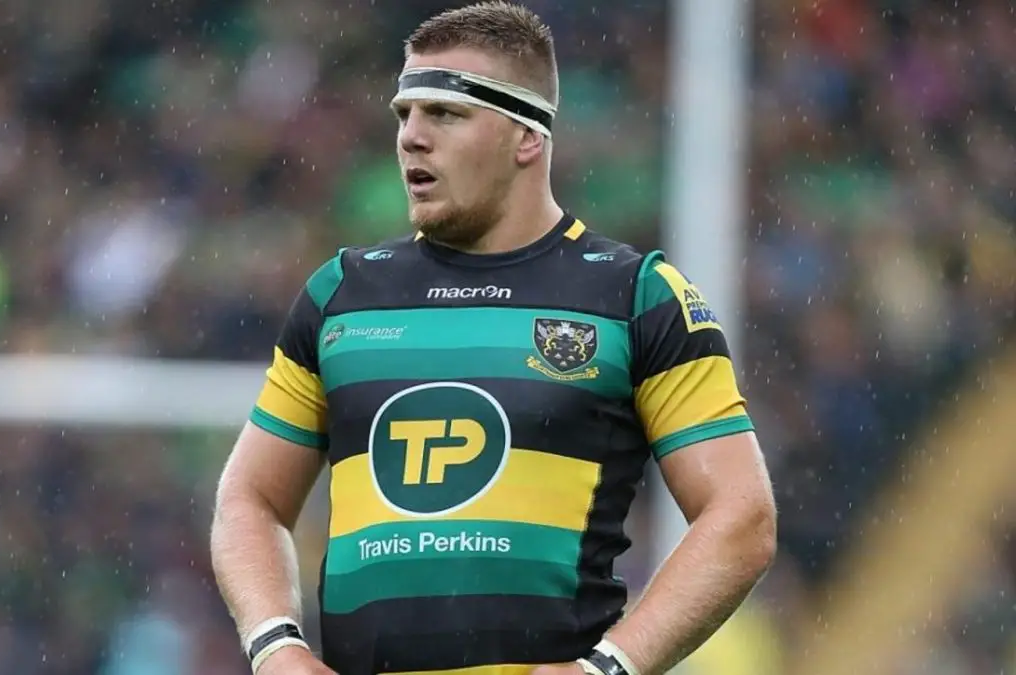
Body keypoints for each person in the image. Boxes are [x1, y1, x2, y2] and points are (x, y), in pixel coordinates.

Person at [209, 3, 777, 675]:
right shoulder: (341, 295)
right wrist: (275, 644)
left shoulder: (636, 297)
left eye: (444, 114)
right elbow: (250, 497)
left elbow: (741, 515)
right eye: (404, 115)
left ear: (527, 136)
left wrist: (609, 666)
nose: (412, 138)